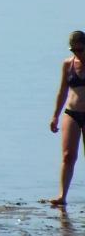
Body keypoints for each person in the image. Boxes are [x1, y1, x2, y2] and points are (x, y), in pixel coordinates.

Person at [49, 31, 85, 206]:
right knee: (68, 156)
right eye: (74, 50)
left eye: (81, 49)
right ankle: (62, 196)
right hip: (71, 112)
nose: (77, 53)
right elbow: (62, 91)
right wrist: (55, 115)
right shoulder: (68, 64)